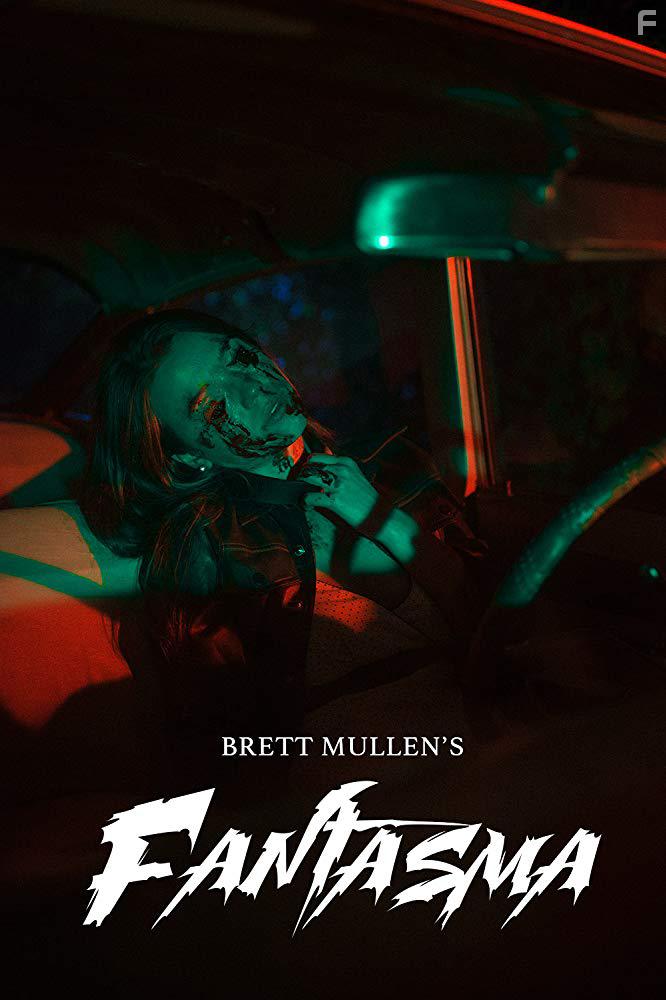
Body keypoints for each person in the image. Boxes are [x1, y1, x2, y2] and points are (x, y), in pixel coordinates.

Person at [81, 309, 485, 784]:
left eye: (239, 358)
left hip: (493, 750)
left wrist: (387, 521)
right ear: (187, 454)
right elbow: (223, 753)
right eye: (210, 404)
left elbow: (499, 626)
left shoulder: (395, 462)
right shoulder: (202, 547)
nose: (250, 388)